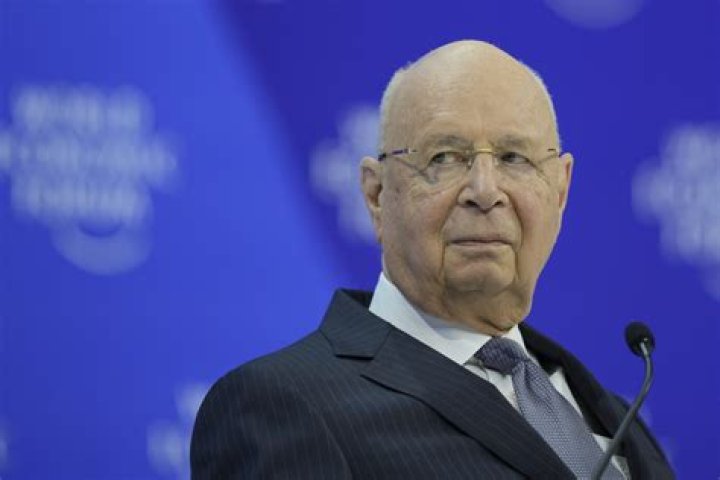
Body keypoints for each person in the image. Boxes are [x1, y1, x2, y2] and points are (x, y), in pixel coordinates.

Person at [190, 40, 674, 479]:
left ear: (561, 190)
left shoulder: (616, 416)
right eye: (444, 158)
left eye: (514, 158)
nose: (485, 191)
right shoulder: (281, 406)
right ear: (377, 195)